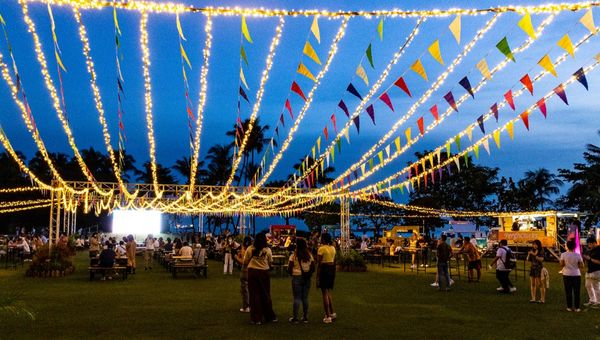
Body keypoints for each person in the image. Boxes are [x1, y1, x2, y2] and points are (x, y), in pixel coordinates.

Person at [244, 233, 276, 325]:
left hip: (252, 272)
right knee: (265, 294)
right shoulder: (267, 250)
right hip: (264, 272)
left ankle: (256, 318)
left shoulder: (250, 249)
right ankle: (269, 316)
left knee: (254, 295)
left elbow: (246, 261)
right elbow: (270, 262)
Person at [288, 238, 314, 324]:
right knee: (305, 298)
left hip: (296, 277)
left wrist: (293, 273)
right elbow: (313, 267)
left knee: (297, 298)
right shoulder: (309, 255)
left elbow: (289, 268)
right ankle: (305, 317)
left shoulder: (294, 255)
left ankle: (295, 318)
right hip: (306, 278)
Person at [317, 233, 336, 324]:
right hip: (332, 270)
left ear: (323, 239)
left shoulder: (321, 249)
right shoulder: (332, 248)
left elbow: (319, 264)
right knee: (328, 291)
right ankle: (332, 312)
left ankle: (328, 316)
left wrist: (317, 276)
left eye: (321, 238)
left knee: (324, 292)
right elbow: (333, 260)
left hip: (324, 269)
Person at [560, 240, 584, 312]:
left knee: (568, 291)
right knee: (577, 292)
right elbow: (582, 265)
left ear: (567, 246)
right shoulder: (578, 255)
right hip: (576, 274)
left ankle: (569, 307)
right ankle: (577, 308)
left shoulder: (563, 254)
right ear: (574, 247)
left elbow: (561, 264)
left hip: (567, 274)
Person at [236, 236, 252, 313]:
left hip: (245, 270)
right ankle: (251, 305)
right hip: (252, 270)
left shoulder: (245, 249)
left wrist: (236, 257)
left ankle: (246, 306)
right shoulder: (253, 249)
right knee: (251, 289)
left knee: (244, 290)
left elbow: (243, 262)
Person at [583, 236, 600, 307]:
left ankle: (598, 301)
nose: (589, 246)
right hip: (589, 271)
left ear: (594, 243)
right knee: (588, 285)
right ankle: (592, 300)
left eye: (590, 244)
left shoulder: (599, 250)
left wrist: (589, 259)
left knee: (596, 286)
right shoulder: (589, 250)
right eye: (588, 244)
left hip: (596, 270)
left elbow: (599, 262)